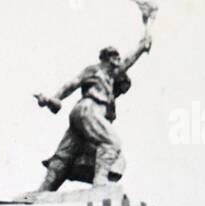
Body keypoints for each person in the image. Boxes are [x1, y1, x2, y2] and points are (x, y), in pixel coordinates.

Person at [33, 16, 154, 192]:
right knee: (112, 142)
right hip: (90, 109)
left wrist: (54, 99)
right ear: (110, 59)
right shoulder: (100, 71)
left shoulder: (106, 80)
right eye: (116, 58)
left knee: (66, 153)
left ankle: (45, 189)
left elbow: (71, 84)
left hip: (80, 114)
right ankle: (100, 182)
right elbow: (72, 84)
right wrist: (54, 98)